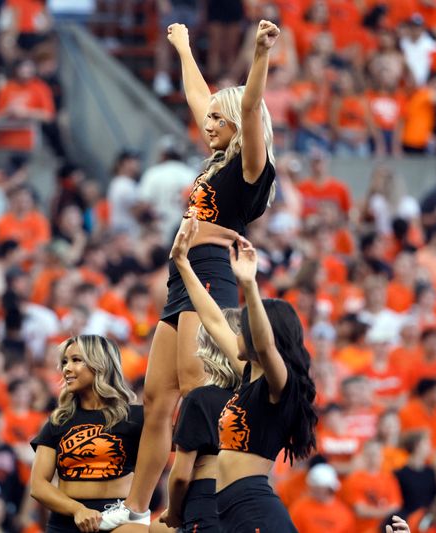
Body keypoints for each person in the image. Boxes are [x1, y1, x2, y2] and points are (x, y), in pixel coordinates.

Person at [99, 19, 279, 528]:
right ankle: (134, 510)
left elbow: (244, 106)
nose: (208, 122)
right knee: (156, 396)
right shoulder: (216, 156)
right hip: (182, 277)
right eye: (211, 119)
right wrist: (181, 47)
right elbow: (203, 97)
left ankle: (199, 497)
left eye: (218, 119)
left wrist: (260, 57)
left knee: (199, 391)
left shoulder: (249, 167)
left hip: (214, 277)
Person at [155, 217, 316, 532]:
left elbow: (268, 346)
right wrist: (182, 263)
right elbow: (213, 320)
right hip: (233, 512)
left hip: (253, 511)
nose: (234, 333)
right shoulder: (248, 374)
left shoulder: (278, 385)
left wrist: (249, 285)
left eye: (242, 328)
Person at [28, 335, 145, 533]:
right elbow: (38, 486)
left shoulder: (136, 417)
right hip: (66, 522)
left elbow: (183, 445)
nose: (66, 368)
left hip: (120, 518)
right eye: (64, 362)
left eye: (76, 360)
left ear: (100, 364)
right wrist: (78, 510)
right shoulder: (58, 420)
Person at [158, 309, 242, 531]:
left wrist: (174, 512)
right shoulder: (261, 398)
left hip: (208, 498)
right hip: (253, 499)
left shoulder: (200, 398)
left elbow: (180, 476)